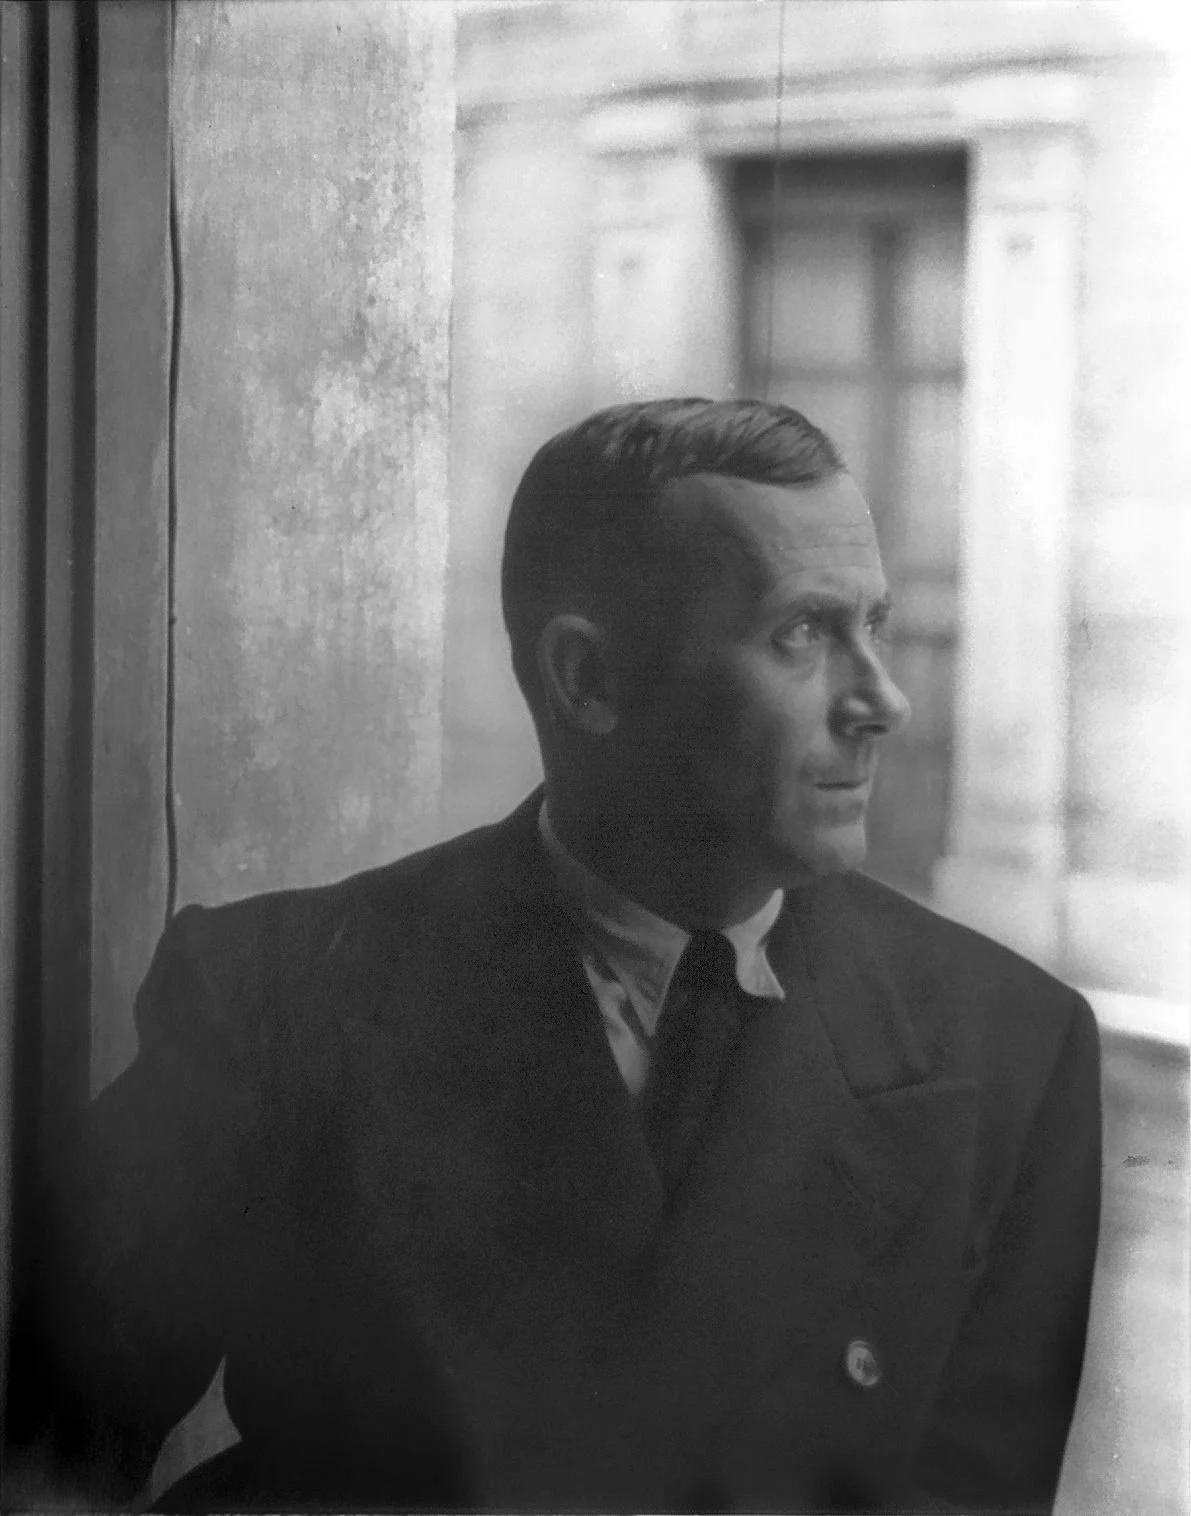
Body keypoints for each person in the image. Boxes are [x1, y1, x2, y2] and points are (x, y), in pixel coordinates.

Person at [27, 399, 1100, 1513]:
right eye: (802, 634)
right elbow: (44, 1448)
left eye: (875, 622)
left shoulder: (1008, 1050)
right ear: (587, 680)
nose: (883, 698)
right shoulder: (276, 997)